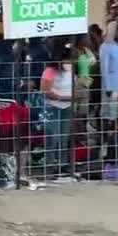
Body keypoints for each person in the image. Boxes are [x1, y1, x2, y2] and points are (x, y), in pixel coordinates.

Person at [39, 39, 76, 178]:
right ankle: (50, 165)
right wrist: (62, 97)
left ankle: (62, 165)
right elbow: (45, 90)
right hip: (53, 107)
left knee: (64, 137)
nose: (69, 63)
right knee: (52, 138)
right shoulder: (50, 71)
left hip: (67, 107)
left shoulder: (71, 69)